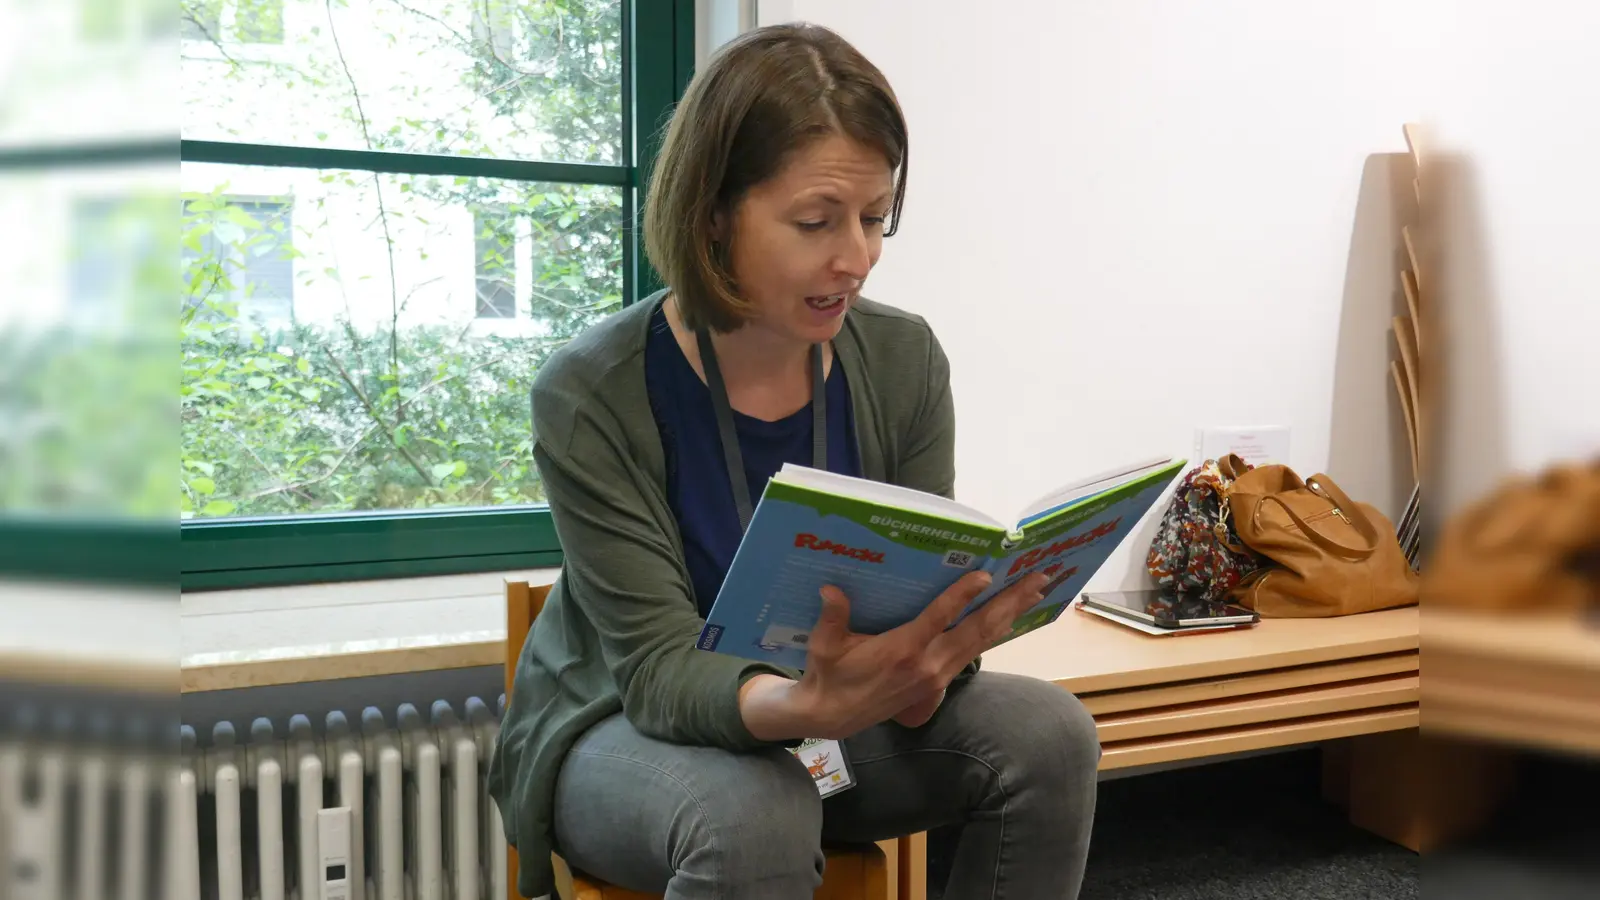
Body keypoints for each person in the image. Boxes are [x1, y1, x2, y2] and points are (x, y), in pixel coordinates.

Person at [487, 22, 1101, 900]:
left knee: (1050, 735)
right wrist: (807, 707)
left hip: (834, 723)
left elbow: (926, 583)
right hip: (623, 725)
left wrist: (936, 664)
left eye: (874, 219)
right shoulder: (592, 392)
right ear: (711, 218)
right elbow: (658, 674)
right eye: (815, 221)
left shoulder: (903, 360)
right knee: (752, 812)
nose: (856, 258)